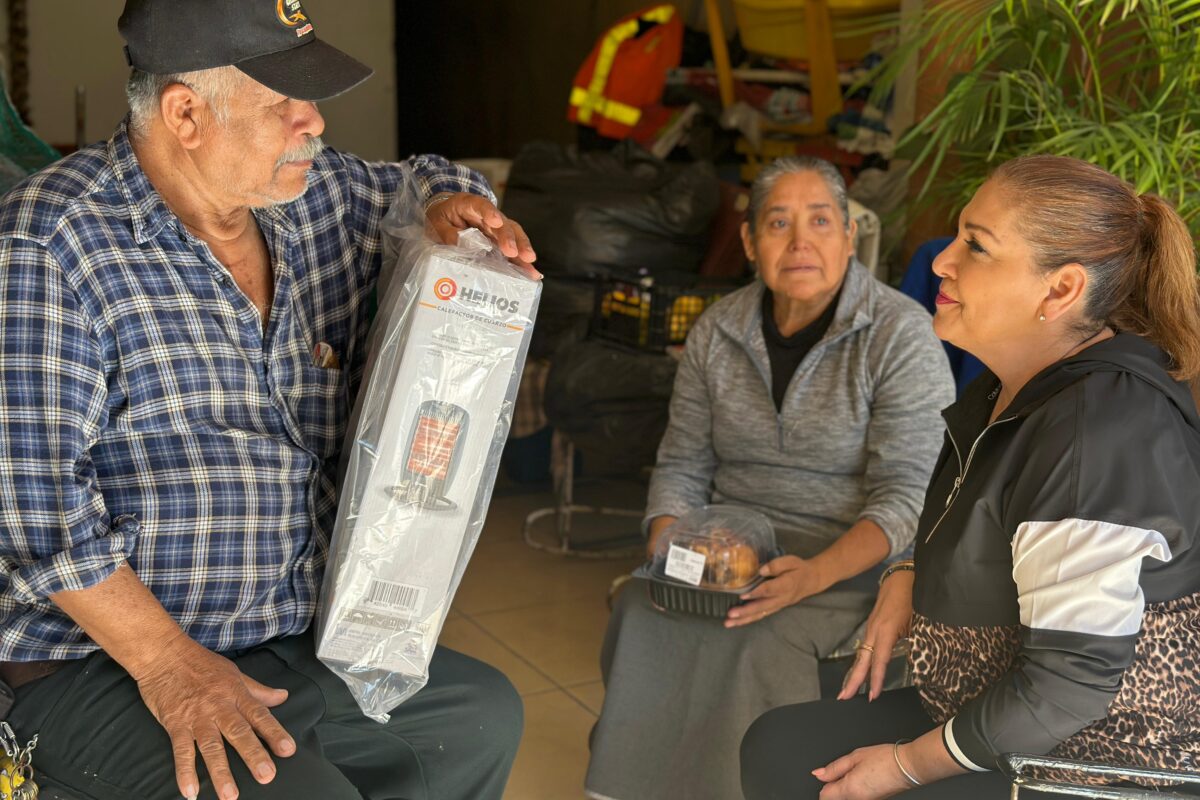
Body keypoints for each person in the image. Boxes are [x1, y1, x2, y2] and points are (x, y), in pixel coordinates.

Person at [0, 2, 539, 799]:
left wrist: (447, 204)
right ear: (185, 112)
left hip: (287, 636)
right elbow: (34, 511)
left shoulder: (310, 197)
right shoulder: (49, 246)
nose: (313, 124)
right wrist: (171, 667)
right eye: (283, 105)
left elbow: (417, 177)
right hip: (105, 662)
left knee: (480, 715)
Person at [740, 154, 1200, 799]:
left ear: (1060, 289)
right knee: (779, 744)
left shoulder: (1099, 429)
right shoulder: (1010, 385)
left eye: (976, 246)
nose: (940, 262)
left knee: (794, 765)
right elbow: (976, 521)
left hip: (1088, 762)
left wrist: (903, 765)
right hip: (997, 715)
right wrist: (909, 573)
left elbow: (1069, 685)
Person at [585, 157, 955, 800]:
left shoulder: (900, 334)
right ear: (752, 243)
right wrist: (671, 545)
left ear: (847, 235)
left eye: (820, 221)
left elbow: (906, 498)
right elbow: (681, 462)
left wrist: (813, 573)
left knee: (762, 634)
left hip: (850, 558)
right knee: (641, 609)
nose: (800, 241)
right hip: (727, 545)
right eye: (778, 223)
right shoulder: (716, 329)